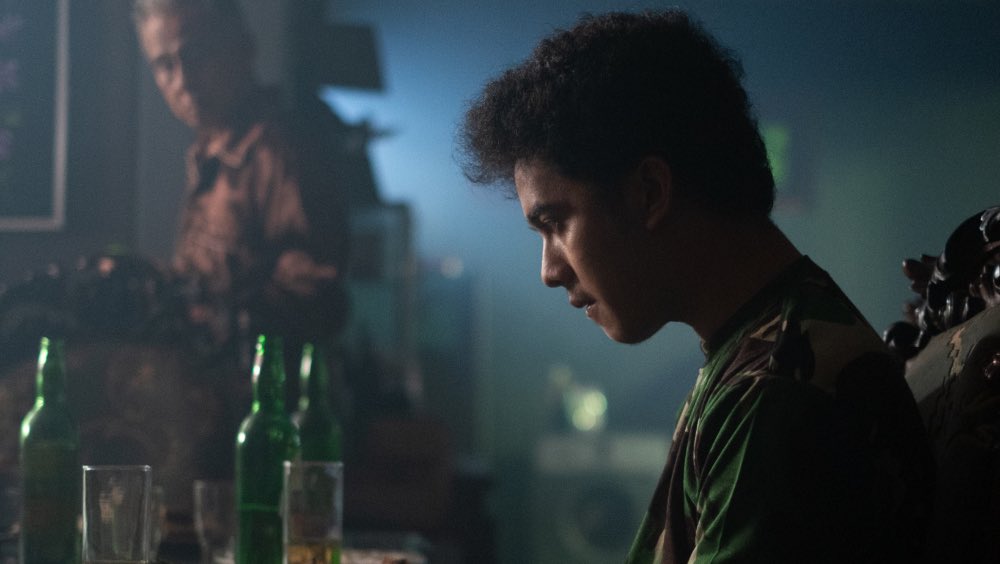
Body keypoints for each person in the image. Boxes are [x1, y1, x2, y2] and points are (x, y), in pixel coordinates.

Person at [459, 10, 934, 563]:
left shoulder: (775, 396)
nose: (549, 270)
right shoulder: (759, 350)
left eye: (556, 223)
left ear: (649, 193)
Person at [133, 0, 354, 350]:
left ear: (242, 49)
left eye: (197, 54)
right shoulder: (211, 147)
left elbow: (317, 299)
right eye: (165, 65)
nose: (183, 80)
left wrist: (215, 318)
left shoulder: (279, 152)